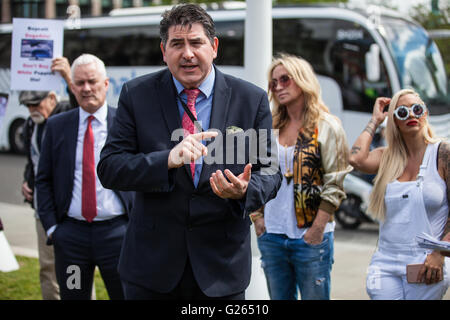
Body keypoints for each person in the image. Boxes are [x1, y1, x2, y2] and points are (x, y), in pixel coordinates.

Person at [97, 3, 282, 300]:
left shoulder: (251, 100)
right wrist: (166, 160)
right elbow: (109, 168)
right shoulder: (136, 95)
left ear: (214, 46)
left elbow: (270, 171)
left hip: (221, 271)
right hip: (151, 271)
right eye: (177, 44)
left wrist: (245, 190)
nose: (187, 53)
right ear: (163, 50)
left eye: (196, 42)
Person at [251, 54, 352, 300]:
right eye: (274, 82)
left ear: (302, 80)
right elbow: (254, 171)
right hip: (272, 234)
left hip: (310, 235)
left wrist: (317, 229)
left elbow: (335, 182)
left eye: (285, 79)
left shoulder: (327, 126)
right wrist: (257, 218)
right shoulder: (269, 126)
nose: (278, 86)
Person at [35, 54, 134, 300]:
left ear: (106, 84)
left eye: (92, 81)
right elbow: (43, 179)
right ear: (72, 87)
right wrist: (52, 229)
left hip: (118, 238)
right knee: (74, 295)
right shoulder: (57, 126)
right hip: (71, 241)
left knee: (125, 295)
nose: (86, 88)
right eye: (79, 83)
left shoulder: (125, 123)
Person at [349, 88, 449, 299]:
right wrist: (375, 119)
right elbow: (356, 160)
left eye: (417, 109)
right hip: (385, 261)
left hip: (425, 262)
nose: (411, 115)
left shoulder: (443, 153)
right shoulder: (387, 157)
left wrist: (439, 253)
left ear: (426, 113)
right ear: (394, 121)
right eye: (402, 112)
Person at [20, 56, 77, 300]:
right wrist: (27, 182)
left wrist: (67, 77)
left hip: (68, 209)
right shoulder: (30, 125)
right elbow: (33, 160)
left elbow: (82, 104)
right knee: (48, 269)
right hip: (43, 209)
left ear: (52, 98)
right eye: (28, 105)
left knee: (76, 271)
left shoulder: (67, 114)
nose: (33, 110)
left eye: (36, 104)